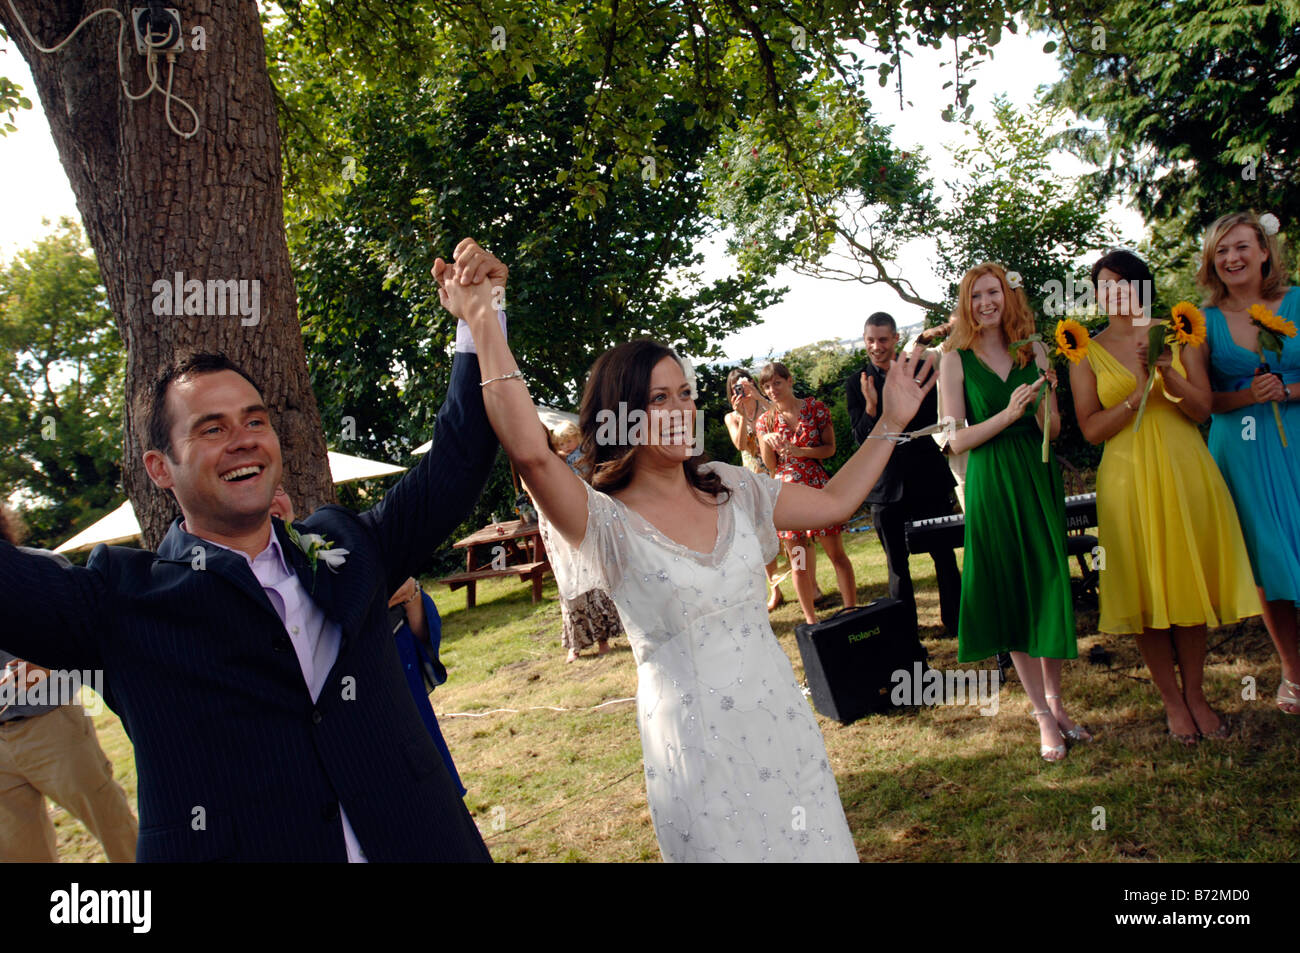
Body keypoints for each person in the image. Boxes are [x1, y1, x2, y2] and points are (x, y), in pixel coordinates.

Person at [0, 238, 505, 861]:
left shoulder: (351, 547)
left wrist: (479, 318)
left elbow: (456, 461)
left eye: (255, 420)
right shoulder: (118, 602)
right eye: (211, 429)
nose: (243, 441)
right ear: (160, 468)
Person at [436, 239, 936, 861]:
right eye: (658, 398)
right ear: (622, 415)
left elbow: (835, 502)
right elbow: (531, 451)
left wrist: (891, 420)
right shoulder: (605, 521)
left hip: (781, 727)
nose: (681, 410)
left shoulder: (732, 487)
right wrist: (486, 317)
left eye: (686, 393)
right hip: (696, 758)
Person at [1070, 250, 1259, 743]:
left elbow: (1202, 410)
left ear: (1141, 288)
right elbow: (1090, 430)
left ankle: (1196, 694)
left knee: (1186, 585)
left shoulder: (1178, 331)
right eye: (1104, 285)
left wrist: (1167, 373)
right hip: (1127, 477)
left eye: (1124, 284)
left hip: (1183, 467)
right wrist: (1136, 390)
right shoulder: (1085, 350)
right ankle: (1172, 703)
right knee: (1143, 589)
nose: (1114, 294)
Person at [939, 262, 1087, 762]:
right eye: (978, 294)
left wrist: (1045, 404)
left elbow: (1054, 429)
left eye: (995, 293)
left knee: (1045, 583)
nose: (987, 302)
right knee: (1011, 590)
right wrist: (1007, 414)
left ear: (1009, 298)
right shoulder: (953, 359)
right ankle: (1041, 717)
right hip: (991, 480)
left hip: (1036, 475)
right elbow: (952, 439)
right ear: (967, 301)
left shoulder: (1035, 349)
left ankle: (1057, 704)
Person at [269, 485, 467, 791]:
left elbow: (415, 638)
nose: (272, 500)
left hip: (404, 711)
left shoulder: (333, 546)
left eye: (279, 489)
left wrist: (411, 594)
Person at [1198, 211, 1300, 715]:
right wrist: (1250, 398)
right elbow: (1202, 403)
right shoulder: (1203, 321)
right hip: (1240, 448)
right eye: (1221, 251)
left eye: (1241, 247)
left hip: (1297, 437)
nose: (1232, 258)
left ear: (1264, 251)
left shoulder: (1297, 302)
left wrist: (1288, 390)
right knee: (1268, 560)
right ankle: (1293, 672)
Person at [0, 507, 139, 862]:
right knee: (18, 854)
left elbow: (96, 639)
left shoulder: (40, 567)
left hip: (51, 725)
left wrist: (43, 668)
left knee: (114, 828)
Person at [846, 312, 961, 636]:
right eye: (870, 340)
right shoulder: (856, 382)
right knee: (897, 565)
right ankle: (906, 632)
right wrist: (871, 408)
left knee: (944, 555)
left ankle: (957, 621)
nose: (876, 346)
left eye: (883, 340)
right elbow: (859, 437)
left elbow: (926, 415)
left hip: (926, 474)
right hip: (885, 485)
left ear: (895, 339)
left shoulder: (917, 371)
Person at [755, 362, 857, 625]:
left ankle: (852, 610)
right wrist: (766, 441)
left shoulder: (815, 408)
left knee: (837, 555)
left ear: (789, 381)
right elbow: (771, 466)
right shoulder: (765, 422)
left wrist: (802, 452)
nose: (772, 390)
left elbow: (830, 449)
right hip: (787, 499)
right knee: (798, 563)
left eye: (777, 382)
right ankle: (811, 622)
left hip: (817, 491)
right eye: (766, 386)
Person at [724, 368, 799, 610]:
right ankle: (775, 590)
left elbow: (781, 417)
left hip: (776, 471)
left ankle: (807, 582)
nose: (741, 390)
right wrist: (742, 414)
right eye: (737, 387)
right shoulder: (732, 417)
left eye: (744, 385)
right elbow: (740, 446)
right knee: (762, 537)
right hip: (753, 479)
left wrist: (758, 398)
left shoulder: (764, 405)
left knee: (792, 533)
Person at [547, 424, 622, 662]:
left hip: (586, 516)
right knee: (571, 583)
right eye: (561, 444)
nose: (566, 448)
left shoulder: (583, 458)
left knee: (596, 578)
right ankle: (577, 643)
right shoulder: (554, 461)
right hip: (561, 523)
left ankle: (602, 638)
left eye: (568, 442)